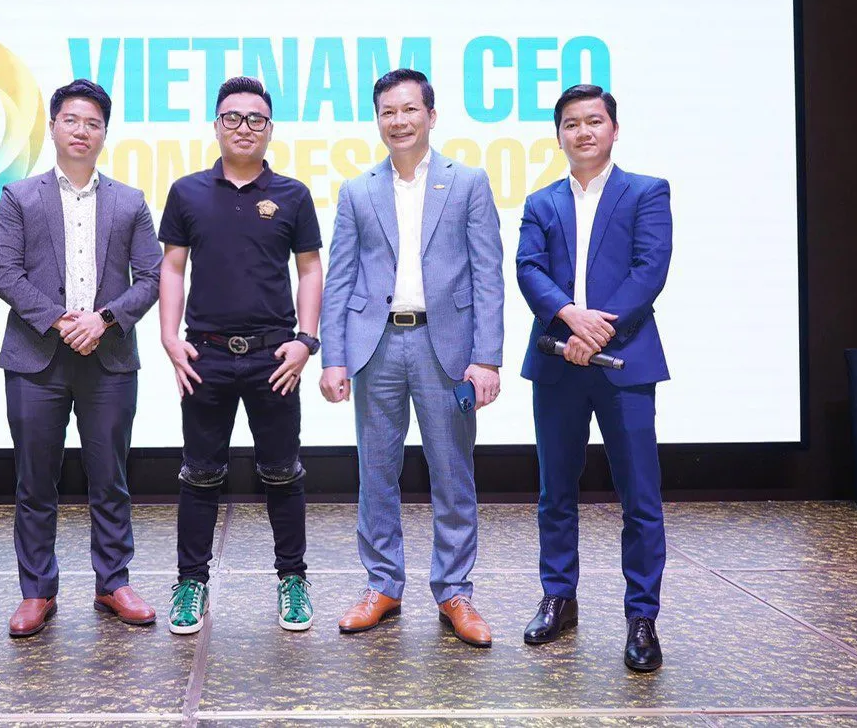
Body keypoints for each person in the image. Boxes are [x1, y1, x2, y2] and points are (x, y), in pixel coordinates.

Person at [319, 69, 504, 648]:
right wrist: (333, 357)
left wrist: (487, 358)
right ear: (378, 119)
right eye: (388, 112)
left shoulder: (468, 182)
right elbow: (340, 279)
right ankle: (382, 585)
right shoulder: (357, 191)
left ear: (431, 114)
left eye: (409, 110)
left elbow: (488, 274)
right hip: (375, 346)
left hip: (445, 348)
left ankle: (454, 591)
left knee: (453, 472)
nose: (398, 121)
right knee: (376, 473)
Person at [0, 79, 162, 637]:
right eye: (71, 120)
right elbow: (5, 273)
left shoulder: (130, 202)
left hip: (108, 358)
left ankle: (113, 582)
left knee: (109, 477)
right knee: (34, 481)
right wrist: (63, 320)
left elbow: (152, 277)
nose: (81, 130)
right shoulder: (19, 197)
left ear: (104, 133)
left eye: (93, 123)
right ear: (53, 127)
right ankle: (37, 591)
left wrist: (103, 319)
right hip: (35, 358)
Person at [158, 76, 324, 634]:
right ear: (216, 125)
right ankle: (191, 582)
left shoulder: (293, 195)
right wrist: (169, 336)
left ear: (270, 128)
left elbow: (309, 270)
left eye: (256, 119)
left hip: (274, 358)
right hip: (203, 355)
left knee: (283, 472)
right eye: (233, 117)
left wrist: (306, 340)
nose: (244, 128)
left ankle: (293, 580)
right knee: (199, 473)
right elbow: (172, 267)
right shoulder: (187, 192)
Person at [515, 83, 673, 672]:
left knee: (640, 496)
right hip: (557, 360)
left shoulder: (646, 192)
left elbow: (649, 270)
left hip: (625, 362)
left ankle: (642, 617)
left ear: (614, 129)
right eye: (571, 124)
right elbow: (528, 268)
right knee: (555, 491)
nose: (583, 132)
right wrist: (569, 316)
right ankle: (559, 598)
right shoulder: (542, 202)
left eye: (594, 121)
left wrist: (596, 330)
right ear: (559, 135)